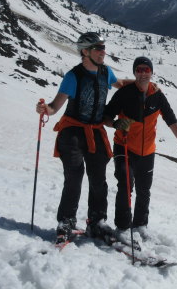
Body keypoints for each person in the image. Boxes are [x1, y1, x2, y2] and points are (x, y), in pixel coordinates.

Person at [35, 32, 132, 243]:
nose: (102, 52)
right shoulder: (73, 76)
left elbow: (121, 84)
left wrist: (145, 83)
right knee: (75, 176)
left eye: (103, 48)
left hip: (95, 131)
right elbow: (55, 106)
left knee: (99, 179)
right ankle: (66, 221)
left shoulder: (106, 73)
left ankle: (97, 221)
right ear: (85, 52)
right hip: (73, 132)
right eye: (98, 48)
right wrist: (44, 109)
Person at [103, 56, 177, 243]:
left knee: (144, 190)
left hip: (147, 151)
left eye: (147, 70)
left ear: (152, 72)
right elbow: (105, 116)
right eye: (139, 69)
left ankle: (140, 225)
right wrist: (115, 124)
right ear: (135, 72)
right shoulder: (124, 93)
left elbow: (171, 120)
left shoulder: (157, 96)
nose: (143, 73)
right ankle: (122, 228)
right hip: (125, 146)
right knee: (126, 185)